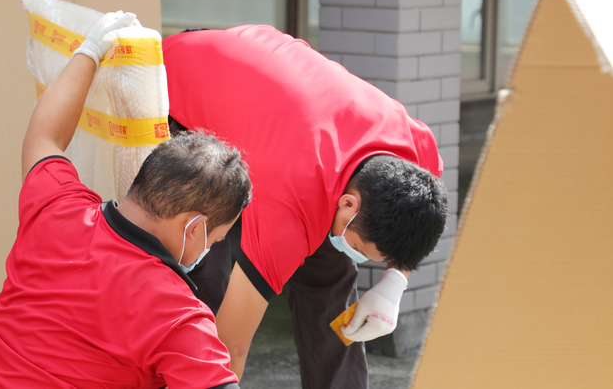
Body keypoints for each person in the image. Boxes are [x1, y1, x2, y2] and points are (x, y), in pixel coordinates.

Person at [0, 12, 250, 389]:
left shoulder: (56, 211)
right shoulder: (177, 315)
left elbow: (44, 136)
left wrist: (90, 51)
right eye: (213, 240)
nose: (209, 251)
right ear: (193, 227)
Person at [163, 25, 449, 389]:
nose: (360, 257)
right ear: (348, 203)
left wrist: (396, 281)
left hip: (271, 102)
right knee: (205, 272)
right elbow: (231, 342)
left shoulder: (413, 148)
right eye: (362, 249)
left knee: (330, 274)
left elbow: (419, 218)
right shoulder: (288, 208)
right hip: (180, 88)